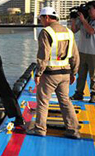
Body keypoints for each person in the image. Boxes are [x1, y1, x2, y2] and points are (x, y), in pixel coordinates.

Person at [28, 7, 81, 139]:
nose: (40, 21)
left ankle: (40, 129)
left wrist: (38, 73)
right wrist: (74, 72)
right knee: (65, 101)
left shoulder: (46, 32)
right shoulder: (69, 32)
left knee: (43, 102)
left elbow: (43, 55)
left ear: (46, 17)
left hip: (50, 74)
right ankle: (73, 130)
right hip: (65, 73)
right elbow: (75, 55)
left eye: (40, 18)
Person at [70, 0, 95, 103]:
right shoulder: (84, 20)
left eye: (90, 9)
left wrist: (83, 20)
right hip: (82, 51)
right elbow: (73, 30)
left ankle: (94, 94)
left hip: (94, 53)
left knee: (94, 75)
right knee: (81, 74)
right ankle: (78, 93)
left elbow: (91, 31)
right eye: (87, 9)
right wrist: (73, 19)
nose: (89, 11)